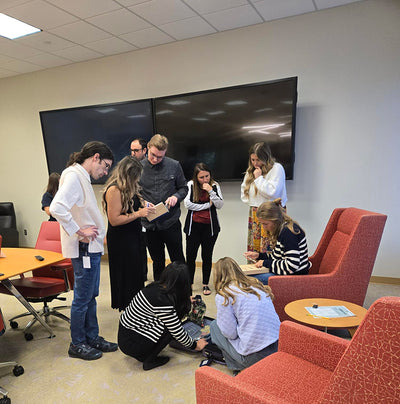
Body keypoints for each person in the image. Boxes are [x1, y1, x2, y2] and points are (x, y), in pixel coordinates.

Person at [50, 141, 118, 361]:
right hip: (84, 248)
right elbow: (57, 207)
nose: (105, 172)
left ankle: (91, 336)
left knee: (91, 296)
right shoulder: (73, 175)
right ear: (95, 157)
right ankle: (77, 343)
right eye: (105, 166)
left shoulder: (81, 176)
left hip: (91, 247)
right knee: (82, 297)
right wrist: (79, 230)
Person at [118, 261, 208, 370]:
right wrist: (195, 345)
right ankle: (149, 360)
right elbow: (177, 331)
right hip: (132, 343)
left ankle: (144, 354)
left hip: (125, 335)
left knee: (170, 320)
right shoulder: (163, 302)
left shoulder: (155, 287)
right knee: (170, 328)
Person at [102, 156, 155, 311]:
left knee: (137, 271)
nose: (137, 180)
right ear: (128, 175)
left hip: (134, 234)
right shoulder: (114, 189)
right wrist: (139, 214)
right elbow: (115, 220)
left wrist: (146, 207)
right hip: (121, 239)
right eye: (135, 176)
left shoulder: (130, 187)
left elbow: (133, 207)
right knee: (126, 273)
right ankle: (127, 307)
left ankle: (136, 306)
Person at [210, 257, 280, 373]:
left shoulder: (224, 295)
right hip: (277, 346)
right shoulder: (256, 285)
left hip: (256, 356)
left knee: (214, 326)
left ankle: (238, 366)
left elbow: (230, 334)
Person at [139, 134, 187, 281]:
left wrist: (176, 197)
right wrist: (142, 203)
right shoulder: (138, 167)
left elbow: (184, 188)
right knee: (157, 261)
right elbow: (133, 193)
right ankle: (159, 297)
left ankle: (185, 295)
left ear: (165, 152)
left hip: (170, 222)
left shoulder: (174, 165)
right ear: (147, 148)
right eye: (153, 155)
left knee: (178, 261)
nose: (155, 159)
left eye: (160, 157)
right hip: (150, 225)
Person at [244, 198, 310, 285]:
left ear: (275, 221)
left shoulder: (288, 232)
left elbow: (292, 265)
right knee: (244, 277)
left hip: (294, 276)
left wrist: (265, 263)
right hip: (288, 274)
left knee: (246, 279)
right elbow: (277, 257)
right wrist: (259, 256)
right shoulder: (282, 229)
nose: (263, 227)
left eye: (265, 224)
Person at [184, 163, 224, 295]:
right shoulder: (190, 185)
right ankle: (189, 284)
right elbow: (188, 205)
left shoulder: (215, 186)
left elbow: (219, 204)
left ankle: (205, 284)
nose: (205, 179)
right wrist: (207, 205)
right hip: (193, 227)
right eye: (201, 177)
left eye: (207, 176)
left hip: (210, 228)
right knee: (191, 256)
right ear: (196, 178)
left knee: (207, 256)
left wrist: (211, 192)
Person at [241, 142, 287, 256]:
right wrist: (255, 204)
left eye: (258, 159)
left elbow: (273, 192)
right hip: (256, 212)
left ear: (266, 157)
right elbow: (245, 192)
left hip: (272, 213)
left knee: (271, 245)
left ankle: (272, 271)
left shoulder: (277, 168)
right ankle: (254, 272)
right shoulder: (251, 171)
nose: (255, 163)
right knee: (254, 246)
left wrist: (259, 178)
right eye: (252, 160)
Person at [130, 137, 149, 280]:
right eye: (131, 150)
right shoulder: (130, 168)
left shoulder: (149, 167)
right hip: (136, 216)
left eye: (136, 150)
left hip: (152, 213)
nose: (133, 153)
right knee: (139, 251)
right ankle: (141, 278)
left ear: (144, 150)